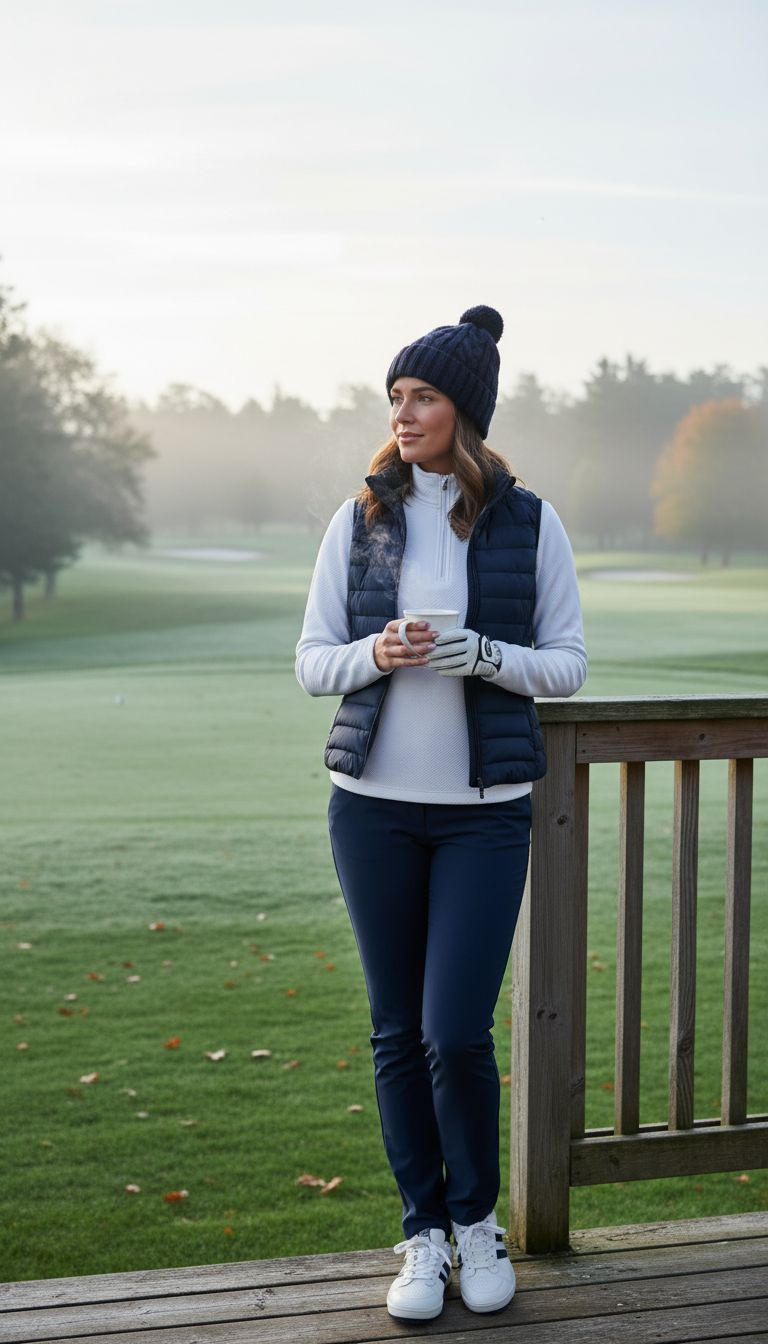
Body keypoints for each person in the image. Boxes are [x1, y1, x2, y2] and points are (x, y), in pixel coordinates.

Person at [295, 305, 586, 1322]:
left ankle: (476, 1223)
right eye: (395, 396)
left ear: (464, 408)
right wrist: (376, 654)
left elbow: (570, 664)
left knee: (454, 1032)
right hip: (369, 811)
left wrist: (488, 660)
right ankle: (421, 1232)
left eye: (420, 395)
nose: (401, 411)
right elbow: (308, 664)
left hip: (483, 814)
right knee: (393, 1031)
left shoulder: (529, 522)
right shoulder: (359, 517)